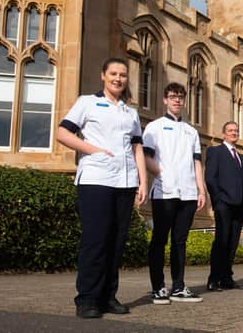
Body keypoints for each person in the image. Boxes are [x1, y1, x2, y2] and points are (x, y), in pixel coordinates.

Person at [57, 57, 147, 319]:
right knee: (95, 240)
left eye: (122, 75)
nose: (118, 78)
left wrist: (142, 180)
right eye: (113, 74)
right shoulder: (87, 102)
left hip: (125, 182)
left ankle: (108, 296)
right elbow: (63, 133)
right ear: (103, 76)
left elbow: (137, 147)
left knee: (117, 242)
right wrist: (93, 150)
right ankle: (86, 299)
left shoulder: (131, 112)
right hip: (96, 179)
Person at [142, 83, 205, 305]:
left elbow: (197, 162)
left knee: (180, 241)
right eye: (172, 97)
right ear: (165, 100)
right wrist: (161, 173)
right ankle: (158, 287)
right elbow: (146, 157)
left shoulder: (192, 131)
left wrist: (201, 189)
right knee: (160, 239)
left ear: (184, 101)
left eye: (180, 97)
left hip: (187, 194)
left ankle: (178, 286)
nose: (177, 100)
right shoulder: (154, 127)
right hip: (164, 192)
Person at [205, 121, 243, 291]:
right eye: (230, 130)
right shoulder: (215, 151)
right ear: (224, 134)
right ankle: (213, 279)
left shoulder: (241, 158)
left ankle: (227, 277)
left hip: (238, 206)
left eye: (236, 130)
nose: (234, 133)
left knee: (233, 242)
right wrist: (218, 199)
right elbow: (210, 178)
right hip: (223, 203)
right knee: (221, 241)